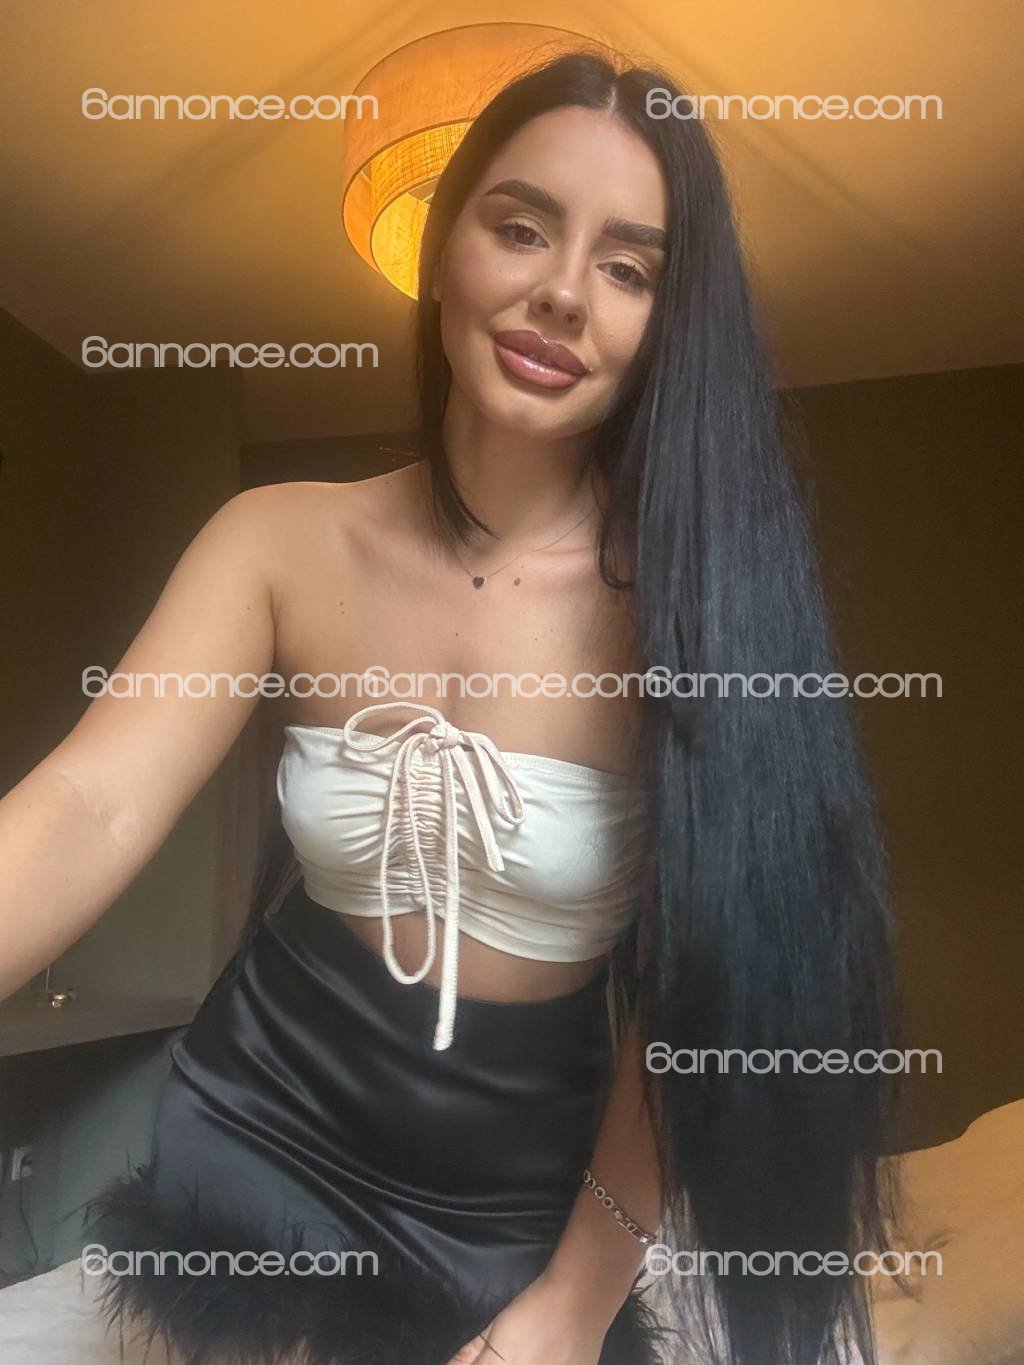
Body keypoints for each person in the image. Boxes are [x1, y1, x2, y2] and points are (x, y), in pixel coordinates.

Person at [0, 49, 903, 1365]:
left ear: (668, 325)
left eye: (628, 267)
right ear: (442, 253)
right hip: (262, 1125)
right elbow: (90, 802)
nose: (562, 290)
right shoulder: (277, 539)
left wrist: (574, 1302)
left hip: (517, 1200)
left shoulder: (695, 615)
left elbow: (704, 995)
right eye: (522, 227)